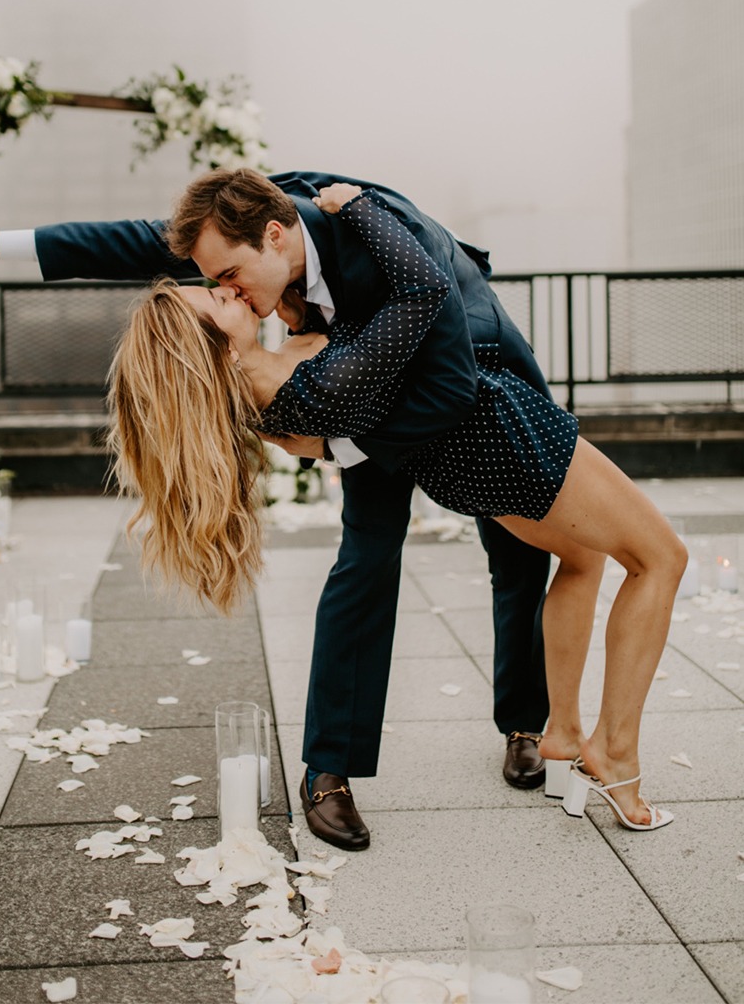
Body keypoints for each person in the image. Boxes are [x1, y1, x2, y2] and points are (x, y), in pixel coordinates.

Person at [0, 168, 556, 850]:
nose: (224, 289)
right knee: (367, 556)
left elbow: (447, 385)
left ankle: (526, 722)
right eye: (216, 281)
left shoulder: (370, 232)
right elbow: (133, 242)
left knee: (520, 548)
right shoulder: (238, 232)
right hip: (352, 382)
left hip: (470, 359)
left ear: (275, 238)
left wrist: (340, 447)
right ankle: (327, 774)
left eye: (231, 276)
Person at [110, 183, 685, 831]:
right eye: (218, 294)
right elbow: (421, 294)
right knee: (661, 559)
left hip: (472, 461)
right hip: (500, 437)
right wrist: (360, 206)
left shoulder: (273, 376)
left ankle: (560, 730)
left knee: (580, 561)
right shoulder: (304, 382)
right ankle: (614, 753)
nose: (228, 290)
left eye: (222, 279)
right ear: (217, 349)